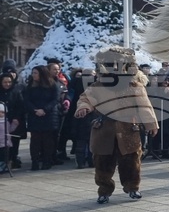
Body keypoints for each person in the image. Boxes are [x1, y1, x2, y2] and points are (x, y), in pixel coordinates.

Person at [75, 47, 159, 204]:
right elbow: (85, 99)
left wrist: (151, 124)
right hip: (104, 129)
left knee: (132, 161)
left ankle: (133, 188)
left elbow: (144, 106)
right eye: (110, 64)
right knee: (102, 163)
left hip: (128, 128)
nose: (114, 67)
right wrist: (84, 108)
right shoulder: (98, 86)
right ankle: (104, 191)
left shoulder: (134, 85)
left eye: (118, 64)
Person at [23, 65, 61, 171]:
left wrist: (44, 109)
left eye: (35, 73)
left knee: (47, 140)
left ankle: (47, 161)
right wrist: (35, 110)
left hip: (48, 116)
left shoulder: (52, 85)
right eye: (33, 73)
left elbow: (55, 99)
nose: (33, 75)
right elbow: (26, 100)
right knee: (35, 140)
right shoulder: (30, 85)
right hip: (34, 115)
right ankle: (34, 162)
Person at [0, 72, 26, 169]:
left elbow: (20, 106)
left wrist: (17, 117)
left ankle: (12, 159)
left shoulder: (16, 91)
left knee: (14, 142)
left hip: (14, 121)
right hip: (1, 122)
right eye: (5, 82)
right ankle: (3, 161)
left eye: (9, 82)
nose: (7, 84)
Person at [0, 103, 17, 173]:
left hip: (6, 142)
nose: (2, 114)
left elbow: (9, 130)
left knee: (6, 155)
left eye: (3, 112)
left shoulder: (6, 121)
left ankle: (5, 166)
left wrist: (14, 124)